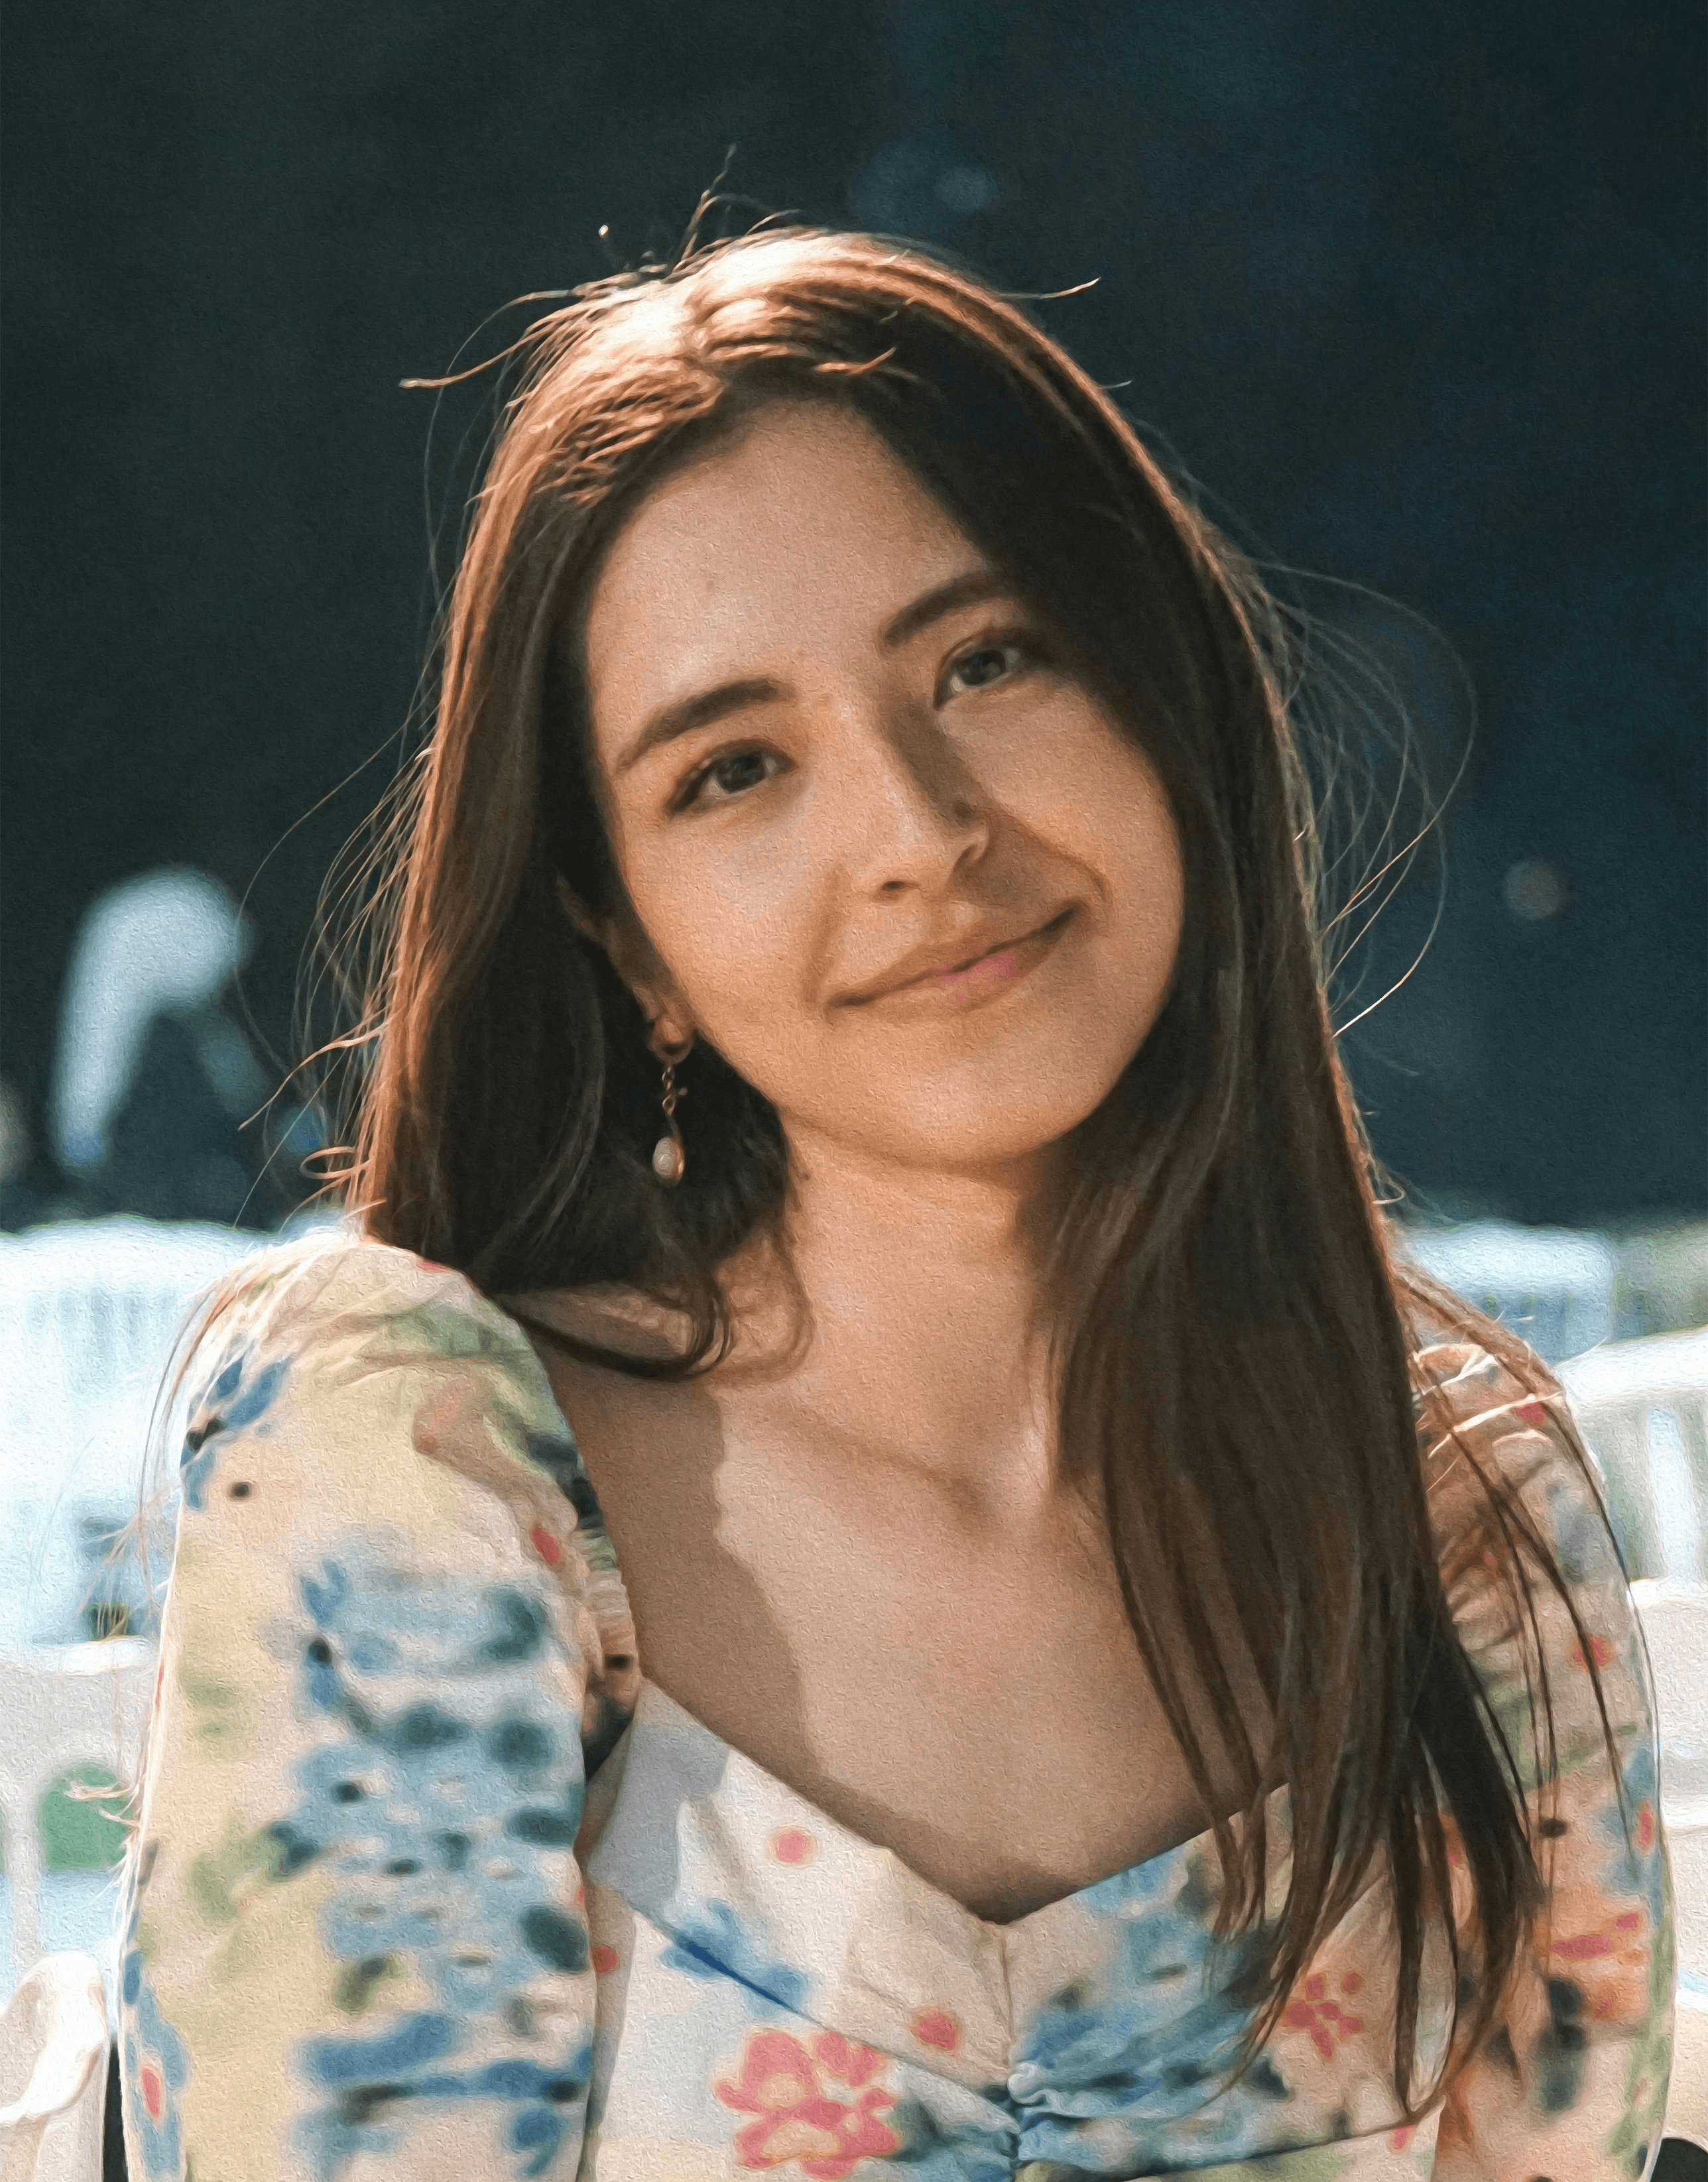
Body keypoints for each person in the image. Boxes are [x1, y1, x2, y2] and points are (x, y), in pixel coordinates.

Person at [118, 227, 1673, 2179]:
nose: (924, 833)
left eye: (988, 659)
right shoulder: (419, 1467)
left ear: (1166, 694)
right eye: (738, 768)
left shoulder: (1459, 1521)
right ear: (630, 943)